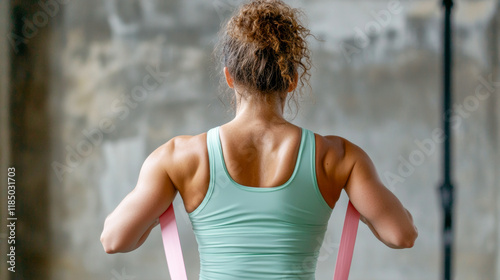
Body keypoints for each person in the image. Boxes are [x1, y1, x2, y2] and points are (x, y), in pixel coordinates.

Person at [100, 0, 418, 279]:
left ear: (229, 77)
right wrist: (365, 212)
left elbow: (114, 241)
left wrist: (158, 214)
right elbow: (401, 235)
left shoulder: (179, 156)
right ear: (292, 80)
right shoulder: (338, 157)